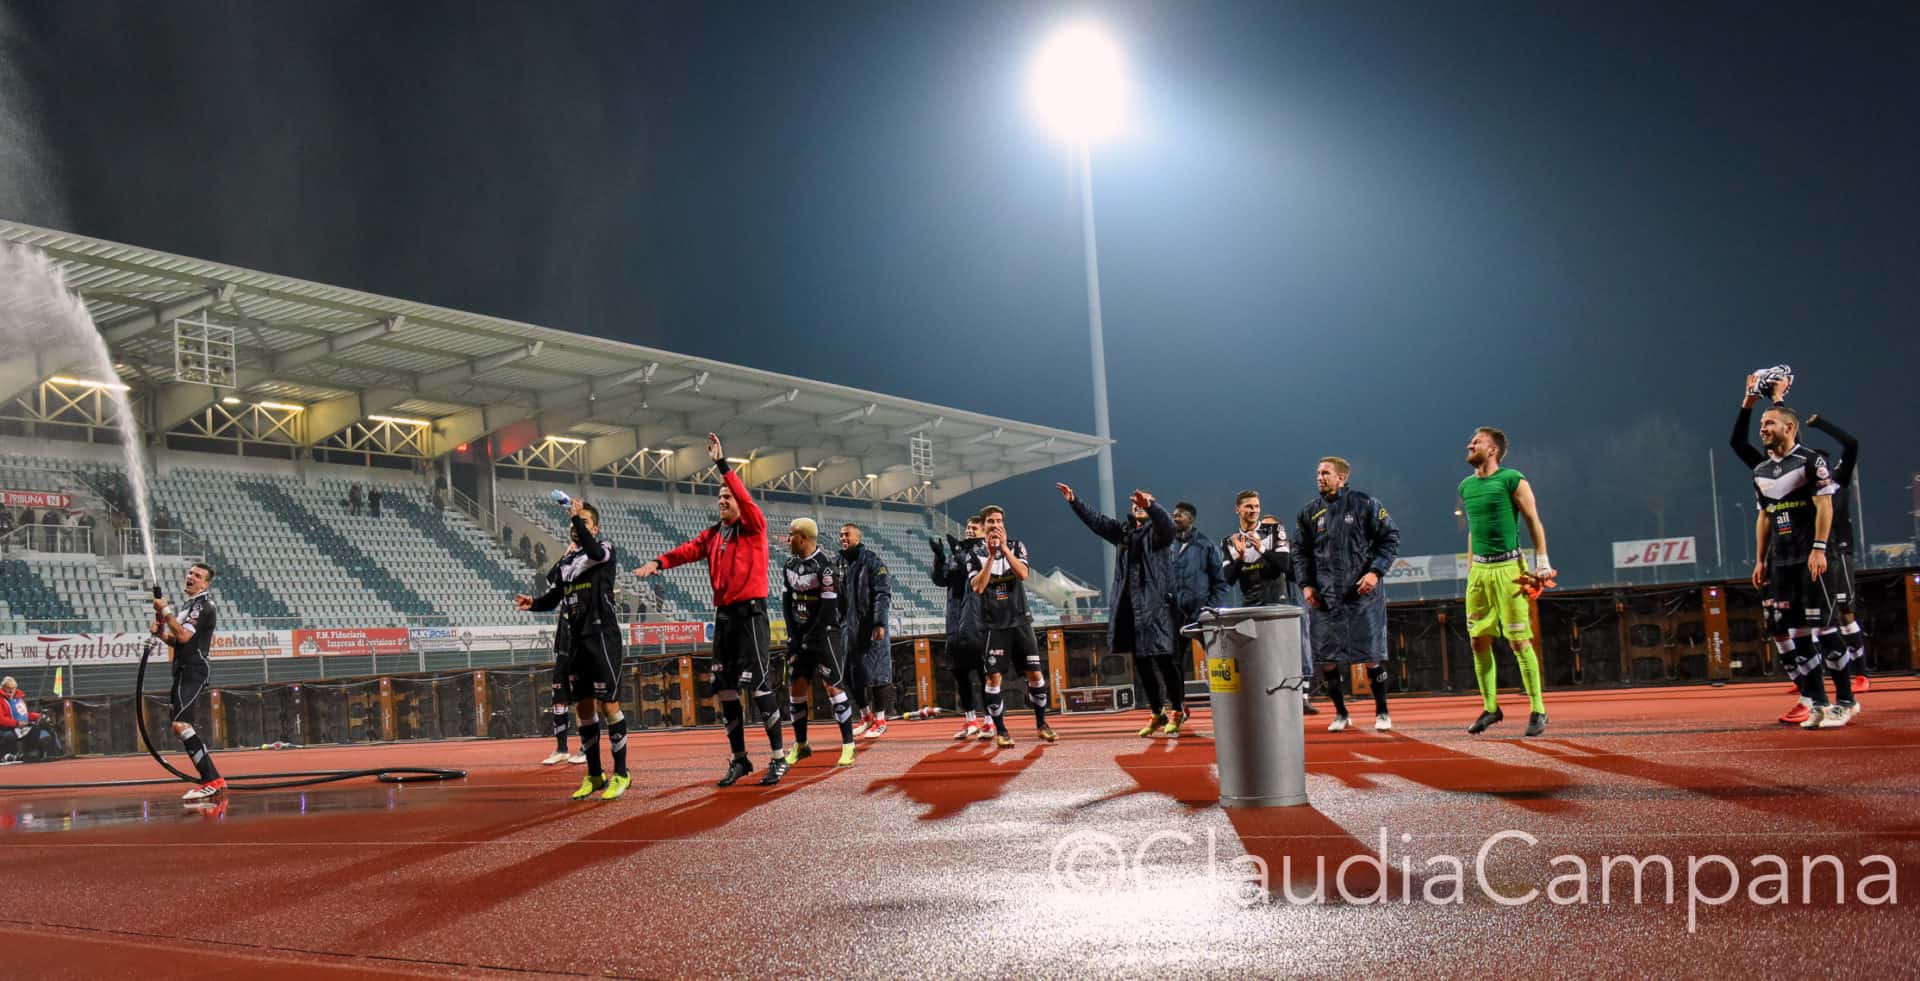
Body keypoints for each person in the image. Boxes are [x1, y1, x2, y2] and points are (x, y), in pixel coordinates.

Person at [634, 433, 788, 786]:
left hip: (751, 616)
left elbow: (745, 499)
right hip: (724, 618)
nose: (721, 500)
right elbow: (688, 550)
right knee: (726, 689)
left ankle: (779, 758)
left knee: (761, 687)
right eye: (719, 496)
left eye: (726, 496)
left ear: (740, 502)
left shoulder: (754, 527)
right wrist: (659, 562)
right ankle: (739, 759)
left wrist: (722, 466)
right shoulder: (714, 534)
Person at [1744, 403, 1852, 728]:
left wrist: (1819, 548)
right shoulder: (1760, 471)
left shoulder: (1810, 461)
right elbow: (1764, 517)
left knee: (1826, 626)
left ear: (1789, 428)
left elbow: (1825, 506)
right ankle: (1818, 703)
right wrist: (1761, 559)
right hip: (1782, 561)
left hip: (1812, 558)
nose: (1762, 428)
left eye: (1770, 423)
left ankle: (1845, 701)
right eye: (1762, 423)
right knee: (1798, 631)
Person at [516, 497, 630, 799]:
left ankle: (622, 773)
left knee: (608, 705)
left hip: (602, 637)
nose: (576, 528)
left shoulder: (605, 549)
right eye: (573, 524)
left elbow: (592, 550)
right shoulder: (567, 561)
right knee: (584, 709)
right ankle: (594, 775)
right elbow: (555, 596)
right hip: (576, 640)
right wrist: (534, 604)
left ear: (595, 527)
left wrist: (578, 517)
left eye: (583, 523)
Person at [1060, 483, 1186, 737]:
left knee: (1164, 660)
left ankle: (1178, 710)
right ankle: (1156, 712)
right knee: (1141, 663)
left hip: (1155, 608)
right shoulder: (1124, 532)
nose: (1138, 505)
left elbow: (1168, 525)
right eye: (1135, 503)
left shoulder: (1159, 533)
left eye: (1144, 503)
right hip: (1129, 608)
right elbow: (1097, 522)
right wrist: (1075, 501)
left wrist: (1151, 505)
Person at [1458, 428, 1557, 737]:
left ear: (1493, 451)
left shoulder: (1513, 479)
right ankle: (1491, 708)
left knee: (1519, 641)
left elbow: (1533, 520)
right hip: (1480, 573)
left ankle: (1538, 709)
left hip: (1509, 570)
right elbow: (1474, 529)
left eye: (1477, 441)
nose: (1470, 444)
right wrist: (1471, 566)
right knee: (1478, 640)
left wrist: (1542, 562)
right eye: (1471, 440)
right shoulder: (1466, 486)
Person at [1292, 458, 1400, 733]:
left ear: (1341, 478)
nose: (1319, 477)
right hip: (1325, 597)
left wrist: (1375, 572)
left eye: (1325, 473)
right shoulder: (1309, 513)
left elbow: (1390, 538)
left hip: (1361, 595)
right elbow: (1299, 553)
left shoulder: (1366, 504)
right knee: (1327, 659)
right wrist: (1306, 585)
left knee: (1372, 655)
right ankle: (1341, 713)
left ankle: (1383, 710)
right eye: (1317, 472)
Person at [1222, 490, 1318, 715]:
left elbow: (1285, 564)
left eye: (1256, 506)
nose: (1253, 510)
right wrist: (1241, 557)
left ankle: (1298, 695)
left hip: (1277, 602)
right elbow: (1228, 579)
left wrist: (1262, 548)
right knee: (1254, 656)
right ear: (1237, 509)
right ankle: (1261, 698)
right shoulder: (1229, 541)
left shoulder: (1275, 531)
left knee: (1286, 650)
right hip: (1250, 604)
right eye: (1248, 506)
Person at [969, 505, 1057, 746]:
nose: (995, 525)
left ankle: (1042, 725)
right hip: (994, 627)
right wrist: (989, 556)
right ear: (984, 525)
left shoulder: (1017, 546)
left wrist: (1004, 549)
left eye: (998, 521)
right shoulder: (974, 554)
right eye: (990, 522)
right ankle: (1001, 731)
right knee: (994, 679)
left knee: (1035, 675)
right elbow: (978, 587)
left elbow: (1023, 574)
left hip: (1020, 622)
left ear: (1003, 525)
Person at [781, 518, 859, 768]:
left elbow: (827, 610)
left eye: (791, 535)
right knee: (796, 691)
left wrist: (808, 638)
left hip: (824, 636)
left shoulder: (826, 567)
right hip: (801, 639)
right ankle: (801, 745)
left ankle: (848, 745)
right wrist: (794, 636)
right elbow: (787, 604)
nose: (787, 539)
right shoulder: (789, 565)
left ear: (803, 538)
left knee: (833, 689)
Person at [152, 562, 225, 801]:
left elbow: (183, 635)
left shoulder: (203, 605)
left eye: (197, 575)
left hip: (194, 670)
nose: (191, 577)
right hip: (183, 669)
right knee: (179, 725)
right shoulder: (190, 605)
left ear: (206, 583)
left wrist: (165, 612)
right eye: (190, 573)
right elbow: (179, 641)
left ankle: (212, 780)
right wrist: (162, 634)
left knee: (181, 725)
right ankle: (212, 779)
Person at [931, 515, 992, 740]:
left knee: (985, 675)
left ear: (984, 532)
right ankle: (970, 721)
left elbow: (976, 575)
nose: (968, 530)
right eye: (967, 527)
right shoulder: (958, 554)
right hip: (955, 623)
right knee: (961, 675)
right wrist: (939, 557)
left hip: (979, 623)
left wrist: (958, 551)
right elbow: (941, 580)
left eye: (974, 528)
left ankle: (989, 721)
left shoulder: (986, 553)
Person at [528, 535, 584, 768]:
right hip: (563, 646)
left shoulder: (590, 567)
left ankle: (585, 747)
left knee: (582, 700)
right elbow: (552, 578)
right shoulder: (566, 572)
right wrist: (565, 555)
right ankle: (561, 748)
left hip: (580, 647)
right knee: (559, 698)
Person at [838, 523, 894, 738]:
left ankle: (880, 720)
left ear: (857, 538)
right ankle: (866, 717)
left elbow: (882, 593)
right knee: (852, 676)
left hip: (870, 627)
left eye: (847, 535)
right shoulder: (838, 563)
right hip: (848, 629)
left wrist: (879, 623)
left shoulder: (872, 561)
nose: (843, 538)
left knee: (878, 674)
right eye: (841, 535)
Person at [0, 676, 57, 763]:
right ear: (3, 688)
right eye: (8, 688)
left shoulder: (18, 699)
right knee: (10, 736)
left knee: (36, 728)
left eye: (13, 688)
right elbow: (1, 719)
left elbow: (24, 715)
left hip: (19, 726)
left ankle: (35, 753)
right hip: (5, 728)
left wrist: (39, 716)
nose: (11, 690)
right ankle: (5, 755)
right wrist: (17, 723)